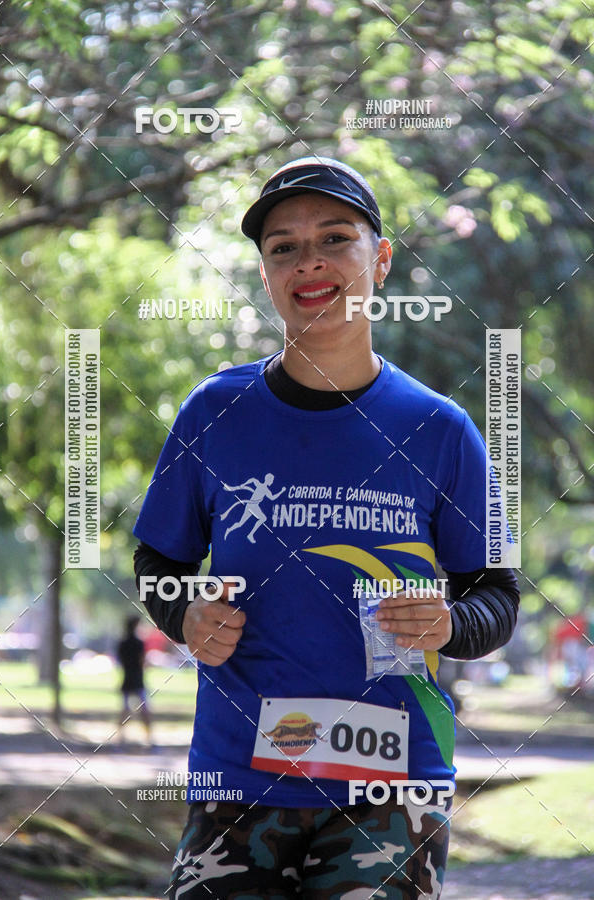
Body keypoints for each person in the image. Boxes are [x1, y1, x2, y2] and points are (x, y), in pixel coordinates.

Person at [133, 157, 520, 898]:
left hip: (394, 785)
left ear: (379, 259)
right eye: (283, 247)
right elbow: (158, 559)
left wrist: (448, 624)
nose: (308, 262)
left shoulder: (441, 427)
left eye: (335, 238)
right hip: (239, 775)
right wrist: (184, 613)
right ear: (266, 272)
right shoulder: (214, 412)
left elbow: (495, 595)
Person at [116, 615, 152, 745]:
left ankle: (120, 738)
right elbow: (143, 661)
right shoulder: (139, 643)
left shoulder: (122, 643)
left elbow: (120, 661)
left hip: (127, 680)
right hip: (138, 680)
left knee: (125, 710)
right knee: (145, 710)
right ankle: (149, 739)